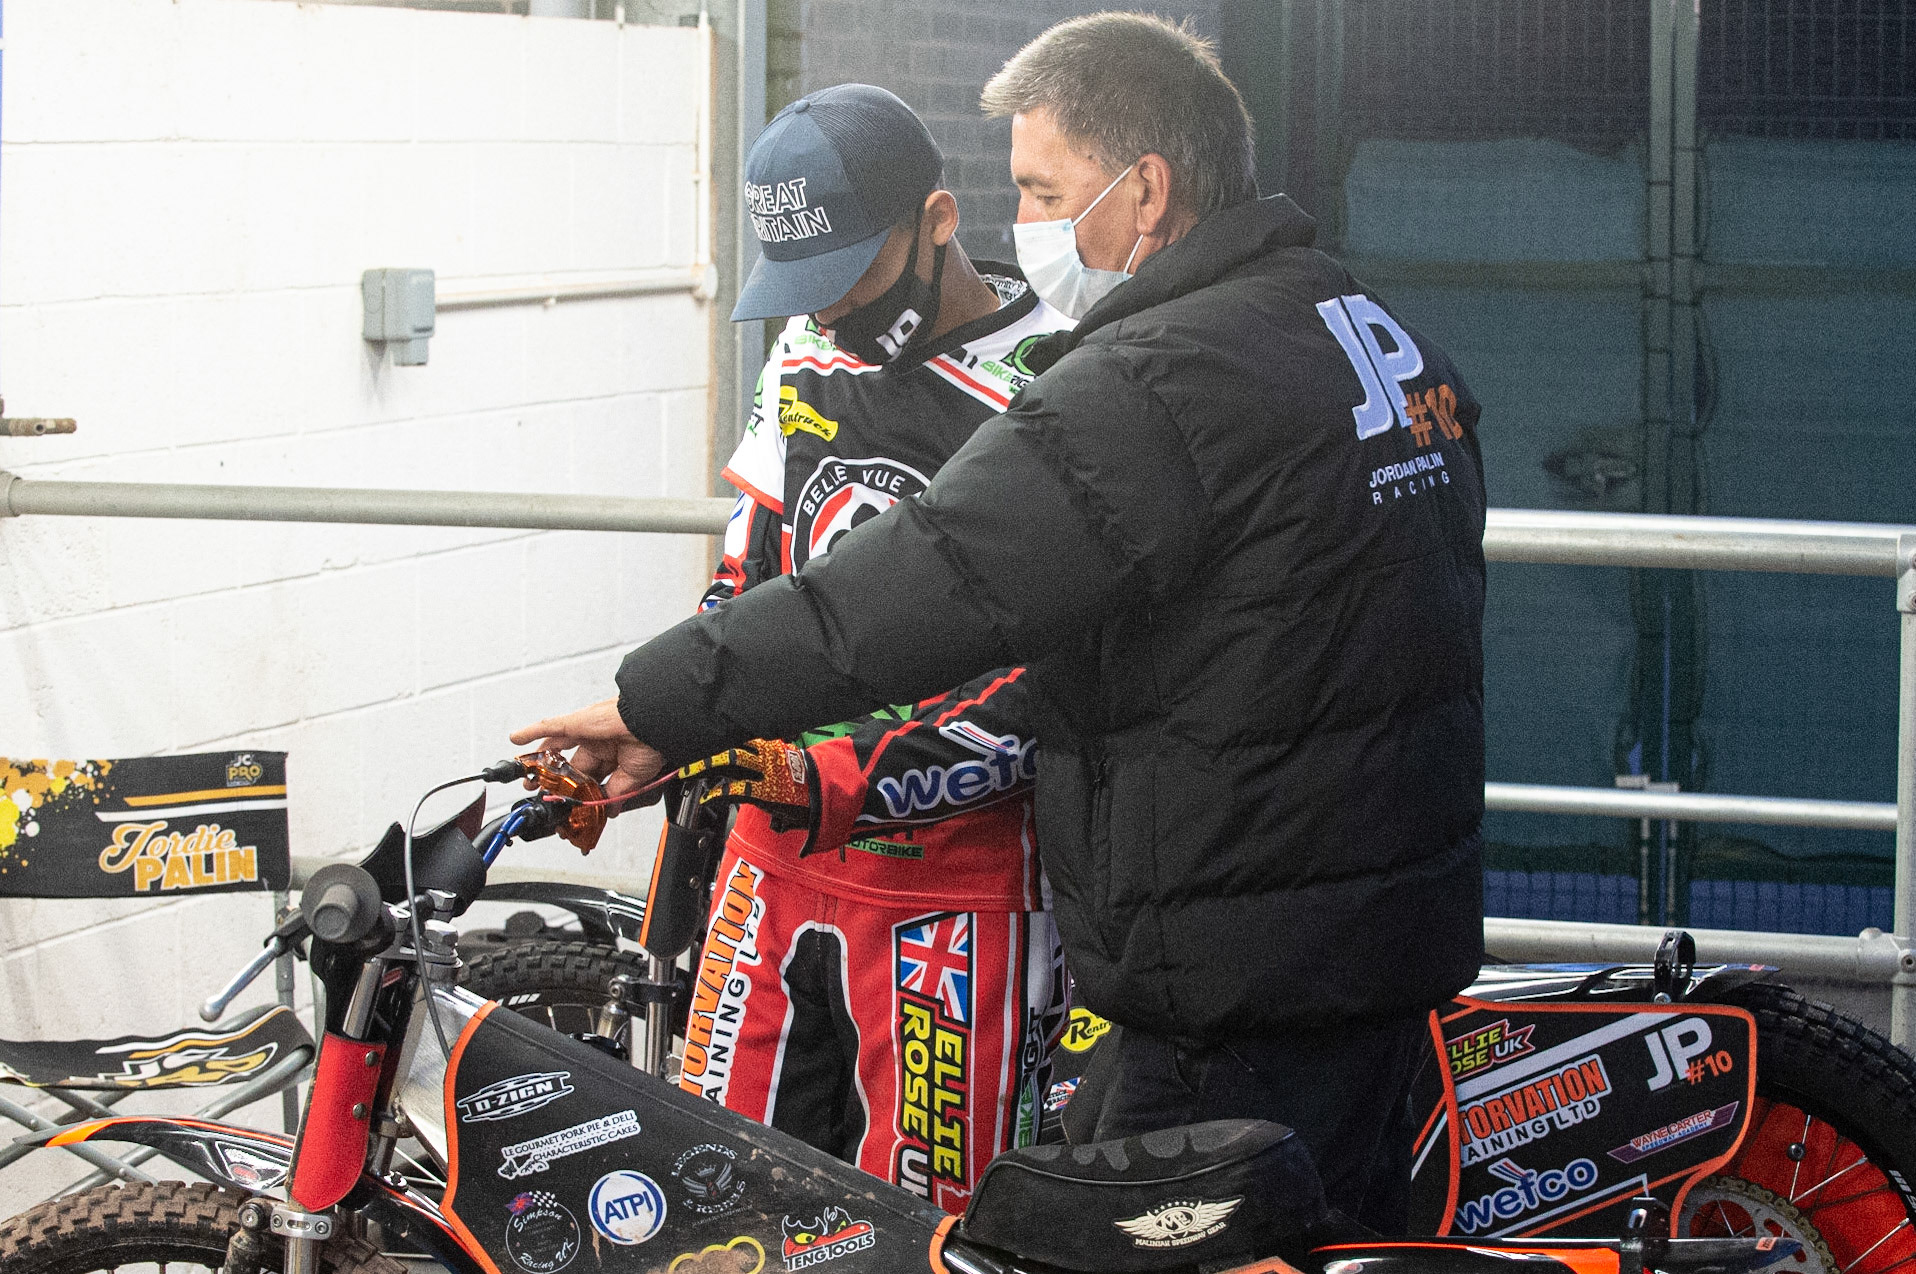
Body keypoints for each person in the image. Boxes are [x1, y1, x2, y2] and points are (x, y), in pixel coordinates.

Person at [515, 13, 1487, 1231]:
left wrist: (663, 705)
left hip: (1225, 964)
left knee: (1040, 1235)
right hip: (1358, 934)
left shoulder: (1144, 377)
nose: (1023, 219)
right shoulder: (1361, 329)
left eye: (1041, 189)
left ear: (1144, 189)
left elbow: (931, 579)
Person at [654, 82, 1073, 1215]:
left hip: (955, 885)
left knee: (925, 1229)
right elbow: (744, 574)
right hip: (770, 853)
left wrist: (833, 772)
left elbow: (1052, 682)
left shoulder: (1061, 373)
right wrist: (682, 721)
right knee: (715, 1203)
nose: (826, 310)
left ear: (937, 220)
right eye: (802, 285)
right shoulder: (802, 345)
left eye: (849, 275)